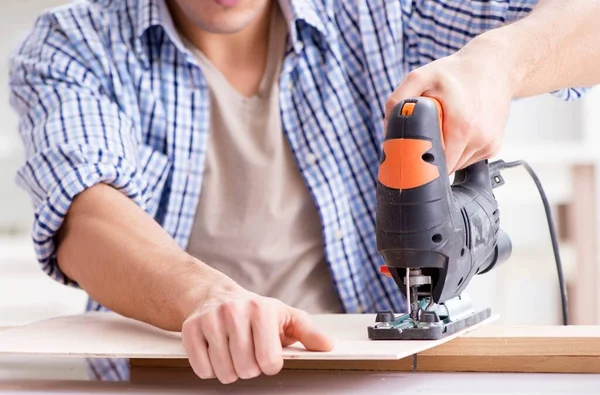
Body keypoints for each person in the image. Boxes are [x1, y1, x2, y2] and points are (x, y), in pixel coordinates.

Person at [9, 0, 596, 384]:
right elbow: (85, 217)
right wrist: (207, 297)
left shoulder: (381, 11)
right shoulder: (73, 44)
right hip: (161, 380)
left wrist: (500, 60)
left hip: (375, 378)